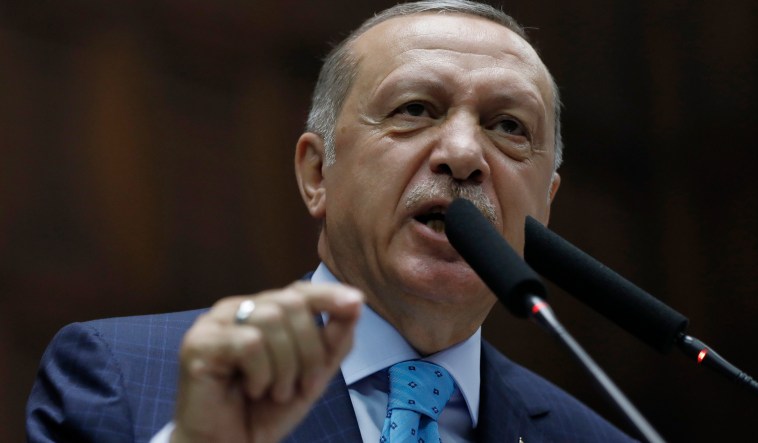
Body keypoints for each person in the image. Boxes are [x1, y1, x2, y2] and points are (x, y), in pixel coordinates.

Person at [27, 1, 639, 442]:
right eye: (415, 109)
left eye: (508, 126)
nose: (463, 155)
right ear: (317, 173)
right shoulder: (124, 376)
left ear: (545, 205)